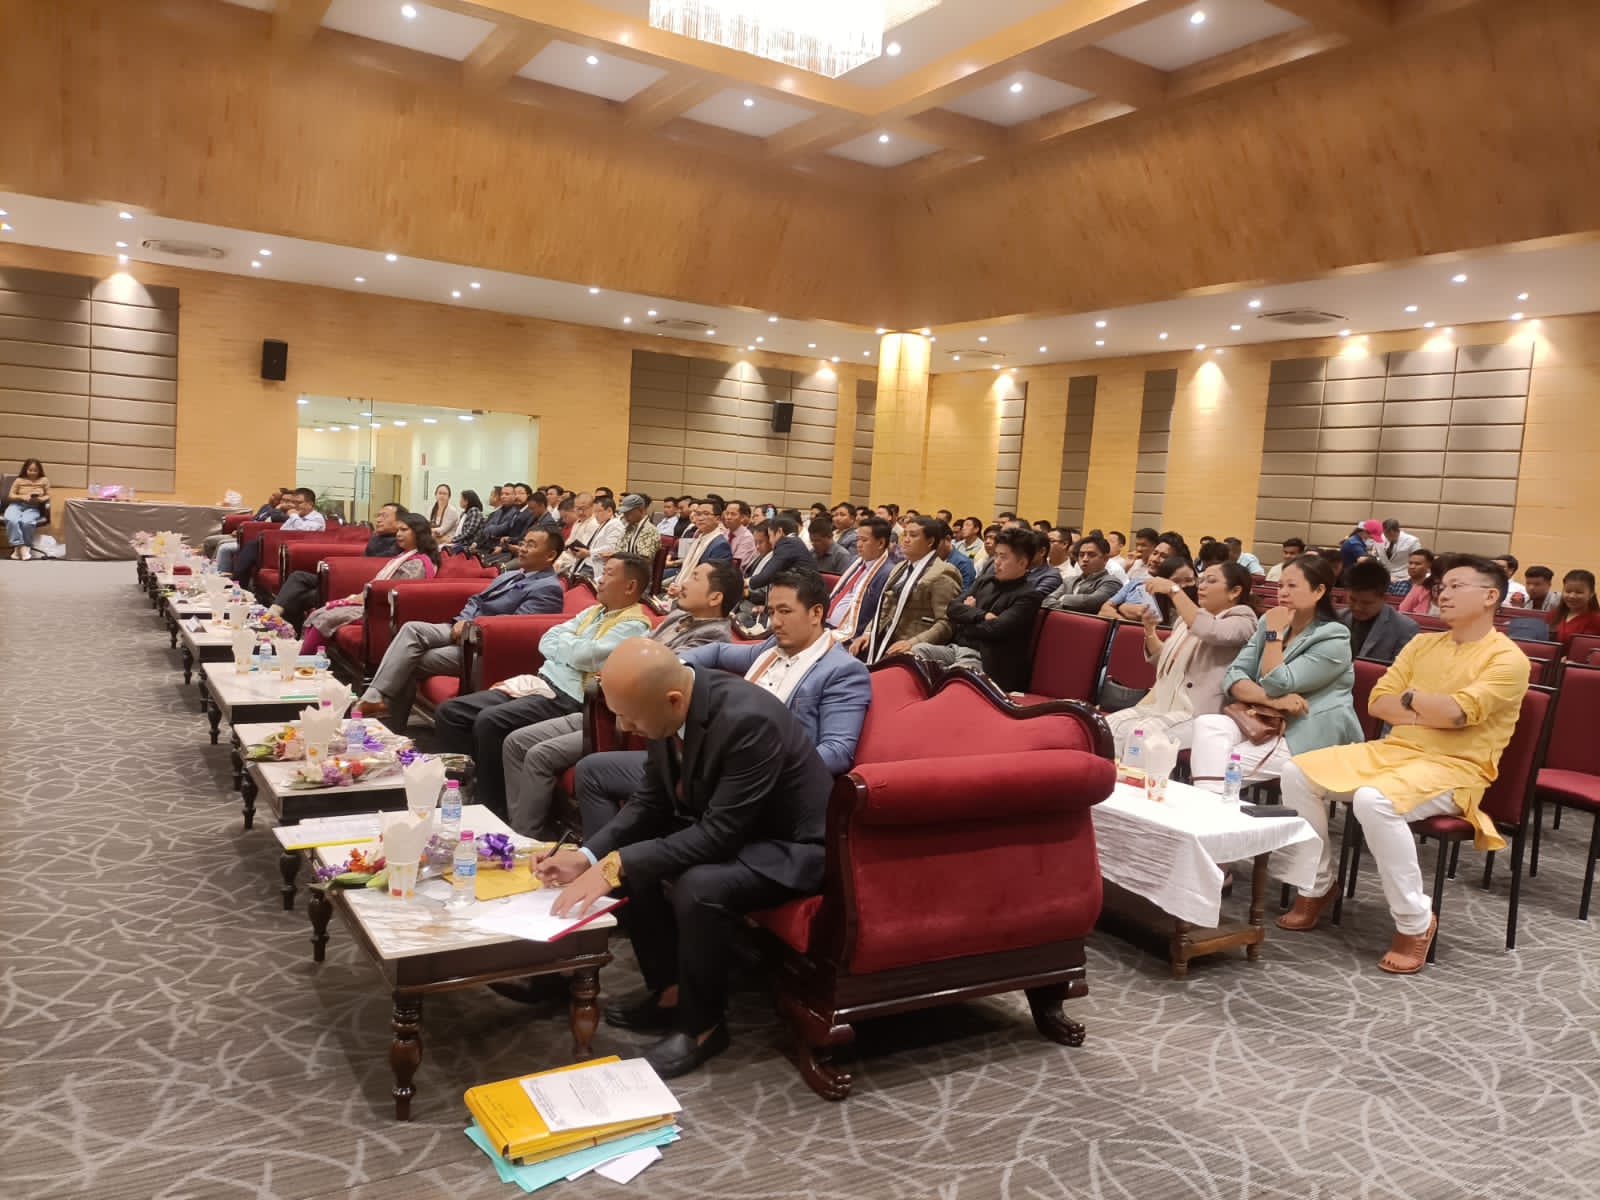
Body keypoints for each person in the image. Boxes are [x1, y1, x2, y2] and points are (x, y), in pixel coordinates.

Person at [538, 640, 835, 1079]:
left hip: (791, 848)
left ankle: (703, 1027)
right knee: (638, 862)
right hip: (738, 829)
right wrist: (588, 856)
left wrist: (617, 863)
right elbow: (650, 802)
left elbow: (720, 836)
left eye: (631, 717)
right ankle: (669, 991)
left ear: (673, 700)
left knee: (698, 885)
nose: (624, 726)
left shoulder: (748, 720)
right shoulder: (669, 707)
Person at [1278, 555, 1530, 973]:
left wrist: (1410, 701)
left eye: (1456, 586)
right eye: (1442, 587)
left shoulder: (1507, 659)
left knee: (1373, 800)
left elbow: (1458, 713)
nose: (1443, 594)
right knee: (1296, 771)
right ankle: (1317, 884)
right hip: (1394, 752)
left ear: (1490, 596)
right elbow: (1379, 702)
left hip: (1456, 768)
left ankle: (1415, 921)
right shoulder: (1422, 643)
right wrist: (1427, 710)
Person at [499, 559, 740, 836]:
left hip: (636, 725)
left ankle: (527, 838)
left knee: (539, 754)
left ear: (715, 597)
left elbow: (653, 676)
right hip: (606, 708)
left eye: (695, 578)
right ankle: (514, 832)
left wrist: (617, 671)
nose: (683, 583)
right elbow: (630, 657)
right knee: (516, 742)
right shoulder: (678, 617)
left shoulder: (712, 638)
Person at [433, 554, 654, 814]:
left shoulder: (633, 626)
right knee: (451, 712)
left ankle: (491, 807)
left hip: (568, 697)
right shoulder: (594, 611)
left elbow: (584, 657)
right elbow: (547, 639)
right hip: (542, 682)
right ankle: (463, 785)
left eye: (608, 574)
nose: (600, 579)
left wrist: (569, 647)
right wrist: (573, 649)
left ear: (630, 586)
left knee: (490, 721)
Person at [356, 528, 565, 727]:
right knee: (412, 629)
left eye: (531, 545)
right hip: (462, 627)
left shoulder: (548, 588)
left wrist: (472, 627)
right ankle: (374, 698)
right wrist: (463, 621)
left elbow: (516, 628)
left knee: (409, 658)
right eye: (523, 543)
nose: (523, 549)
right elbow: (476, 600)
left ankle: (389, 725)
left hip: (483, 647)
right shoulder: (510, 574)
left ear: (550, 555)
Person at [1189, 554, 1362, 792]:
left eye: (1292, 586)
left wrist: (1274, 635)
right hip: (1261, 719)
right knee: (1208, 724)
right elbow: (1233, 675)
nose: (1283, 593)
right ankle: (1214, 803)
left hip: (1309, 731)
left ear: (1319, 591)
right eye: (1280, 585)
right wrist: (1274, 702)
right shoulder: (1270, 622)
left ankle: (1209, 804)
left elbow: (1278, 682)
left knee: (1222, 765)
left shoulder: (1334, 637)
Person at [1104, 559, 1256, 757]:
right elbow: (1165, 661)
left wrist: (1173, 589)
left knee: (1141, 735)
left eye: (1211, 581)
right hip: (1164, 704)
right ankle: (1107, 775)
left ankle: (1135, 777)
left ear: (1235, 591)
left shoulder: (1244, 620)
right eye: (1202, 580)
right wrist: (1150, 631)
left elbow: (1211, 631)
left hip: (1200, 713)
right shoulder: (1187, 619)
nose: (1202, 586)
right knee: (1109, 726)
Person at [911, 525, 1042, 693]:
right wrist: (983, 615)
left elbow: (996, 629)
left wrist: (966, 619)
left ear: (1022, 562)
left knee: (956, 676)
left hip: (988, 660)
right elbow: (952, 608)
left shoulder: (1028, 596)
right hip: (956, 649)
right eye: (996, 555)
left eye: (1003, 557)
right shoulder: (985, 581)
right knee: (917, 652)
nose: (996, 562)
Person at [301, 514, 439, 654]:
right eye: (398, 530)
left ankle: (305, 660)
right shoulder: (403, 556)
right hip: (374, 602)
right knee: (320, 612)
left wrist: (365, 597)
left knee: (327, 617)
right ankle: (305, 658)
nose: (398, 534)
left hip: (383, 611)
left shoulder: (418, 563)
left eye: (404, 530)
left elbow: (402, 593)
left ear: (419, 533)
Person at [267, 502, 405, 625]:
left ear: (399, 521)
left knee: (298, 596)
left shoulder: (399, 542)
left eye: (384, 516)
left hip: (360, 585)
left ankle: (277, 621)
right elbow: (363, 561)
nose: (378, 520)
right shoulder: (377, 538)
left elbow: (379, 566)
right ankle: (275, 615)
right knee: (298, 577)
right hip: (348, 578)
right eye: (378, 515)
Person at [854, 515, 963, 663]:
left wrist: (913, 643)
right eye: (905, 534)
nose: (905, 540)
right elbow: (884, 608)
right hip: (884, 638)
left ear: (930, 542)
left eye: (913, 535)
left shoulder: (943, 572)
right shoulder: (899, 568)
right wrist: (868, 633)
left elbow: (946, 624)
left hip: (913, 645)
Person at [825, 517, 893, 644]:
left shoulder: (887, 573)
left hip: (852, 633)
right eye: (858, 539)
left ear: (880, 543)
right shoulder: (855, 562)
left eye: (864, 540)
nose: (858, 545)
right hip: (826, 623)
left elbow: (881, 613)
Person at [1341, 560, 1419, 664]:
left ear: (1385, 598)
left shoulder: (1405, 628)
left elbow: (1400, 670)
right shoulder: (1338, 617)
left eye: (1366, 603)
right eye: (1352, 600)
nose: (1357, 607)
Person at [1099, 534, 1182, 620]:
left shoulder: (1171, 589)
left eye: (1163, 556)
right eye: (1154, 553)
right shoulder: (1136, 581)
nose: (1155, 559)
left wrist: (1120, 607)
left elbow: (1147, 615)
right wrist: (1123, 615)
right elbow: (1104, 610)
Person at [745, 515, 813, 606]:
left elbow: (767, 576)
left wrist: (745, 582)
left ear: (779, 532)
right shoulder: (794, 542)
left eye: (770, 536)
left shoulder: (787, 544)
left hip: (803, 597)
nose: (770, 541)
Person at [665, 501, 732, 593]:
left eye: (706, 514)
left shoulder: (720, 545)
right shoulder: (698, 538)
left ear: (717, 519)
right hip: (682, 587)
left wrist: (684, 590)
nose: (700, 518)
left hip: (698, 594)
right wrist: (674, 584)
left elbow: (713, 581)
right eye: (698, 514)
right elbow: (685, 568)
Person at [1046, 534, 1123, 612]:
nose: (1085, 559)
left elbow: (1092, 602)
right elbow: (1047, 601)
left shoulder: (1112, 582)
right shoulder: (1069, 581)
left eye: (1091, 555)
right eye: (1081, 555)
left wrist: (1063, 598)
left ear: (1105, 558)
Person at [1547, 569, 1600, 654]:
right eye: (1568, 591)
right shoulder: (1554, 613)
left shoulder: (1596, 620)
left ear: (1591, 594)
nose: (1572, 596)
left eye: (1579, 592)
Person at [5, 458, 50, 560]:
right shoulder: (19, 480)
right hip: (17, 505)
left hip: (32, 507)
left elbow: (48, 495)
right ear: (25, 470)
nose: (32, 473)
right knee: (11, 519)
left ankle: (26, 546)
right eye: (30, 470)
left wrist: (40, 499)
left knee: (27, 522)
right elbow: (10, 495)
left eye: (35, 470)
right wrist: (22, 497)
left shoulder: (44, 480)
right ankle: (18, 546)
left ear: (39, 471)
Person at [576, 494, 622, 576]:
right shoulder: (603, 524)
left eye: (599, 511)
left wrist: (589, 553)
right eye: (594, 512)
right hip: (588, 563)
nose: (596, 515)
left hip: (598, 567)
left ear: (609, 511)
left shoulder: (615, 524)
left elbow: (611, 548)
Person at [1371, 518, 1420, 585]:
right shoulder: (1379, 538)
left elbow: (1417, 560)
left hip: (1404, 577)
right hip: (1383, 576)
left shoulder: (1412, 541)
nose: (1388, 537)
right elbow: (1374, 555)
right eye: (1385, 534)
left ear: (1397, 531)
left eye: (1391, 534)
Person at [616, 493, 661, 564]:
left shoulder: (650, 530)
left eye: (629, 512)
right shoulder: (629, 527)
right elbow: (620, 549)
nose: (625, 516)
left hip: (636, 569)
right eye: (624, 513)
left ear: (641, 510)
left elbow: (644, 560)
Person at [937, 521, 976, 591]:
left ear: (948, 539)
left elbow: (965, 593)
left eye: (935, 542)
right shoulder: (930, 558)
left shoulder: (964, 564)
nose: (931, 546)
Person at [1397, 549, 1436, 615]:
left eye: (1417, 564)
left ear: (1429, 567)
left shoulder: (1432, 589)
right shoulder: (1397, 585)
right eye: (1410, 563)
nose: (1412, 567)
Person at [445, 489, 486, 553]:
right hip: (460, 543)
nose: (460, 501)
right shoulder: (464, 514)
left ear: (466, 501)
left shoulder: (474, 511)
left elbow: (469, 532)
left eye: (461, 499)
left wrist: (453, 539)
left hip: (467, 545)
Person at [720, 501, 757, 569]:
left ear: (742, 518)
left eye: (733, 514)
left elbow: (736, 564)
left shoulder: (747, 537)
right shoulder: (724, 533)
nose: (728, 517)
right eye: (727, 513)